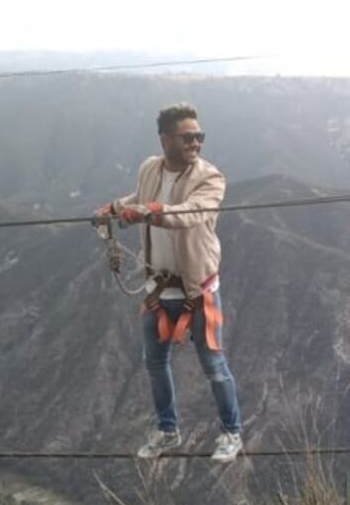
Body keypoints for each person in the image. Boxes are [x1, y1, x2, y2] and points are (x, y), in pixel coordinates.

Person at [95, 103, 242, 462]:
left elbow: (191, 214)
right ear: (165, 139)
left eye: (199, 137)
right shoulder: (150, 168)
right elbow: (140, 198)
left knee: (213, 366)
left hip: (197, 288)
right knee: (155, 363)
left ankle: (232, 433)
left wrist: (150, 212)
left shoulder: (210, 178)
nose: (196, 143)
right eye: (188, 137)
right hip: (159, 288)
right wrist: (114, 208)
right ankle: (167, 429)